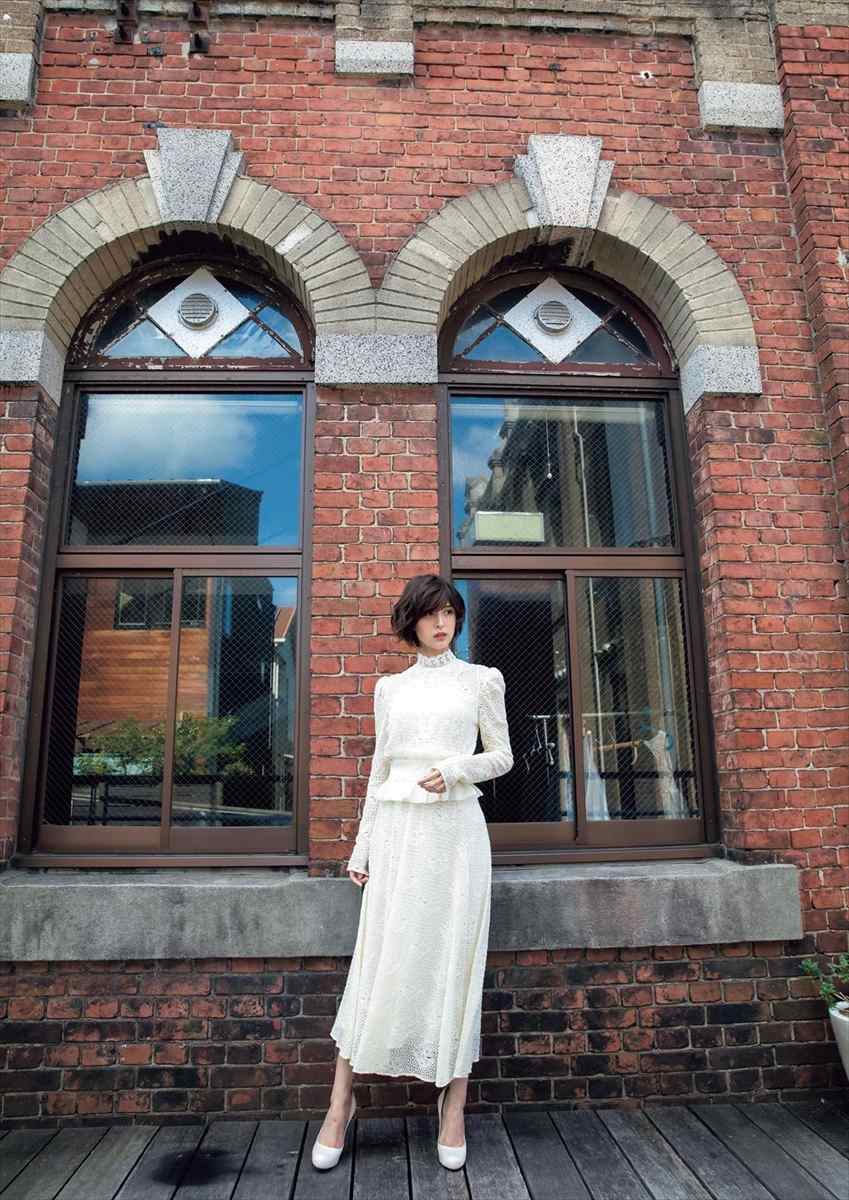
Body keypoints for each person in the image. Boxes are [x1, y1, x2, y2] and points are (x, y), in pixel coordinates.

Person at [311, 573, 513, 1171]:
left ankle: (453, 1107)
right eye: (430, 613)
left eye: (449, 612)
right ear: (411, 621)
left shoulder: (481, 680)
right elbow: (380, 771)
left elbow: (502, 756)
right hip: (398, 836)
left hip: (456, 836)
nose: (441, 623)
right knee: (378, 960)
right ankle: (339, 1105)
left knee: (454, 961)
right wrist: (362, 849)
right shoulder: (389, 689)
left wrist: (454, 771)